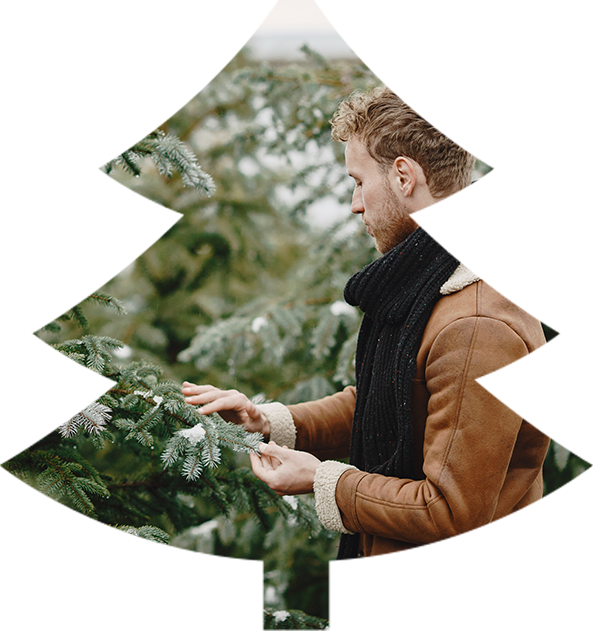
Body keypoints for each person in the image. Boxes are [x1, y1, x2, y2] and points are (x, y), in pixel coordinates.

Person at [182, 78, 564, 631]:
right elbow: (393, 402)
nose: (354, 203)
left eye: (360, 181)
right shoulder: (436, 282)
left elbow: (450, 512)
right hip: (406, 604)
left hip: (456, 616)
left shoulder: (477, 327)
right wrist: (271, 421)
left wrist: (322, 481)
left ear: (404, 176)